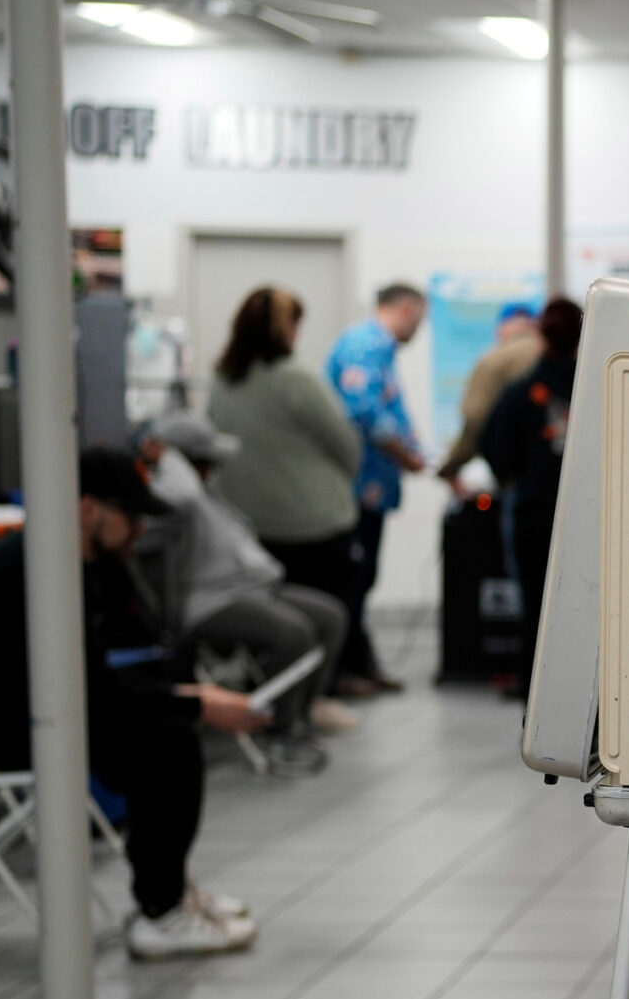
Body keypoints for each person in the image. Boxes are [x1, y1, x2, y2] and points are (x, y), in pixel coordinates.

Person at [0, 450, 265, 959]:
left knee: (158, 728)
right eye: (131, 518)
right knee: (165, 743)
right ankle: (162, 913)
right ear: (88, 508)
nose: (139, 531)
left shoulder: (75, 566)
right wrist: (196, 703)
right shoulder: (38, 577)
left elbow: (98, 677)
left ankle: (169, 893)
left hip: (14, 712)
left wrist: (182, 698)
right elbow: (95, 693)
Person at [138, 411, 357, 768]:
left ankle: (300, 714)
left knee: (330, 616)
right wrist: (165, 456)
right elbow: (185, 495)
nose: (211, 470)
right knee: (294, 632)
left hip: (254, 589)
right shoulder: (166, 496)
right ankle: (276, 730)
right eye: (203, 462)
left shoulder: (203, 493)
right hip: (210, 601)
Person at [205, 287, 371, 697]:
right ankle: (313, 702)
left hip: (250, 530)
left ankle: (268, 701)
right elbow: (347, 447)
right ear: (284, 329)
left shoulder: (221, 382)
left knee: (274, 627)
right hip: (316, 529)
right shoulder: (296, 379)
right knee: (324, 621)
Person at [326, 283, 431, 694]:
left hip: (372, 488)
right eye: (419, 320)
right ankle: (343, 671)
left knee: (363, 578)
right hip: (355, 488)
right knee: (352, 579)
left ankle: (358, 663)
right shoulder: (364, 346)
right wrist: (406, 456)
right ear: (406, 309)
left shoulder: (380, 350)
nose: (418, 330)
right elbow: (364, 412)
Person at [480, 297, 580, 675]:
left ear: (542, 335)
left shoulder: (521, 393)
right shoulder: (603, 392)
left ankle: (534, 687)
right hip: (587, 518)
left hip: (533, 514)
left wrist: (519, 475)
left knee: (536, 604)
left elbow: (494, 448)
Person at [438, 302, 543, 489]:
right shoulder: (560, 356)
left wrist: (452, 466)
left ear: (501, 329)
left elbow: (476, 417)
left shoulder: (493, 360)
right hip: (561, 466)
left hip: (517, 473)